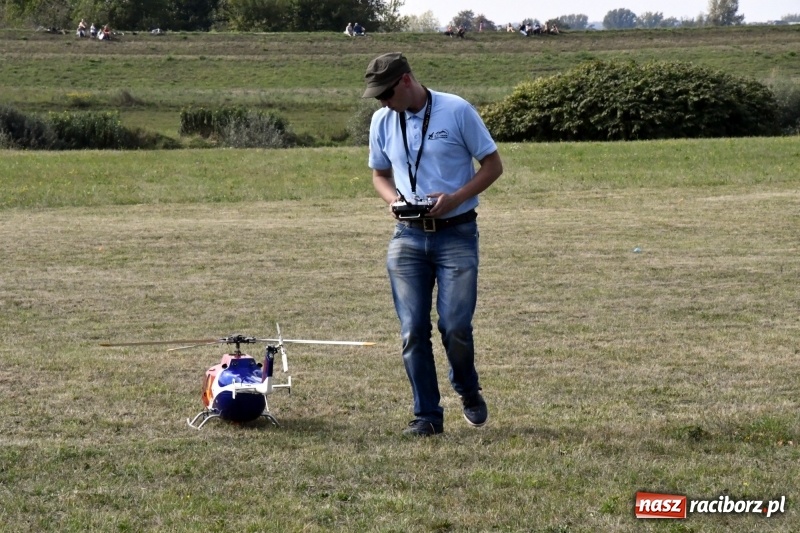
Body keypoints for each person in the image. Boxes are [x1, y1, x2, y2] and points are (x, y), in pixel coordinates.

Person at [362, 52, 503, 436]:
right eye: (377, 98)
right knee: (412, 330)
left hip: (457, 233)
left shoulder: (457, 110)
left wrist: (455, 198)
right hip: (407, 238)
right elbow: (379, 175)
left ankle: (468, 390)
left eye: (386, 94)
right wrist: (394, 202)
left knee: (455, 326)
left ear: (406, 81)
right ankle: (427, 416)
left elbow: (493, 165)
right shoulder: (382, 120)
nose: (382, 103)